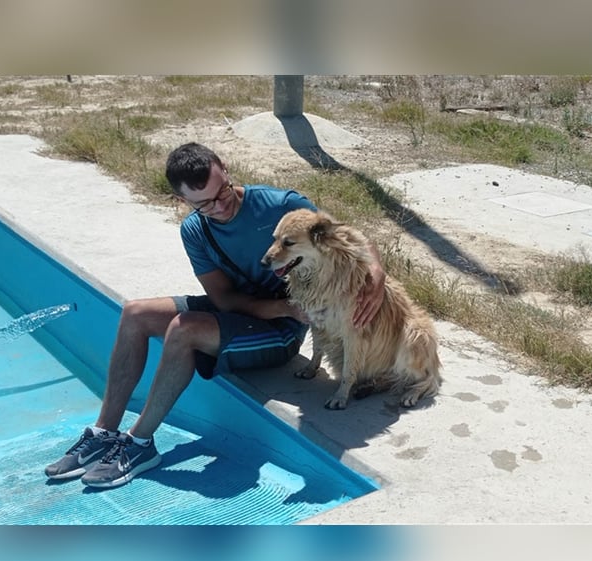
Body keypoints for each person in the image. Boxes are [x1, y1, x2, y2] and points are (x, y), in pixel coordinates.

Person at [45, 142, 387, 488]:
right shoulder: (195, 230)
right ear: (183, 201)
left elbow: (348, 236)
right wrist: (279, 307)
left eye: (222, 190)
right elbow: (223, 299)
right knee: (136, 313)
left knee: (184, 330)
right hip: (265, 310)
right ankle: (103, 432)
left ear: (224, 168)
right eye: (205, 204)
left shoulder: (280, 205)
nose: (220, 206)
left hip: (284, 328)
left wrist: (376, 276)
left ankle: (140, 443)